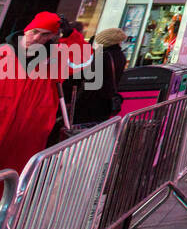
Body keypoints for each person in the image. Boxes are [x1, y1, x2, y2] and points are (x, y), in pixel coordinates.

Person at [0, 12, 88, 172]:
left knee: (14, 182)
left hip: (28, 137)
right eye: (34, 31)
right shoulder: (2, 53)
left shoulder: (55, 61)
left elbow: (84, 59)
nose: (36, 38)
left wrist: (71, 36)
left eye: (45, 34)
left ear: (51, 37)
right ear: (26, 30)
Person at [73, 27, 127, 125]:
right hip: (106, 101)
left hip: (91, 102)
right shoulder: (121, 56)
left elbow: (90, 82)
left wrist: (78, 101)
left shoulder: (103, 56)